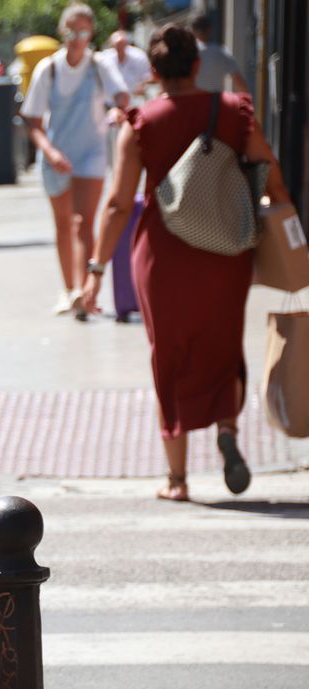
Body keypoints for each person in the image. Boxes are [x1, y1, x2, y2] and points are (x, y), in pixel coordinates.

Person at [79, 24, 289, 501]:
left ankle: (177, 479)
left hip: (163, 254)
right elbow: (269, 171)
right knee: (223, 344)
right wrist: (286, 220)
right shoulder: (235, 111)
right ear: (197, 64)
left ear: (153, 72)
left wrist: (95, 270)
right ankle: (227, 431)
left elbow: (117, 206)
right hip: (227, 250)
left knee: (168, 356)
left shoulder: (140, 123)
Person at [22, 4, 131, 319]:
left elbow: (121, 96)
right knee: (63, 223)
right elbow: (33, 121)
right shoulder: (48, 69)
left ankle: (84, 292)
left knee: (83, 222)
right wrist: (50, 152)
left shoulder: (99, 65)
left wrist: (118, 109)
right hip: (56, 153)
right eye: (71, 30)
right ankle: (68, 288)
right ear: (62, 32)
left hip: (91, 152)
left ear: (91, 33)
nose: (77, 37)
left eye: (83, 30)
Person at [191, 17, 250, 95]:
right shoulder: (222, 52)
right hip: (214, 100)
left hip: (193, 99)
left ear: (192, 31)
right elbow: (239, 82)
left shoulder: (188, 52)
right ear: (210, 30)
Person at [100, 30, 154, 103]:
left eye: (122, 44)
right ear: (112, 45)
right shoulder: (105, 58)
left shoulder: (139, 56)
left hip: (135, 100)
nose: (120, 48)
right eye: (117, 45)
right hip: (111, 101)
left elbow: (149, 77)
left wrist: (142, 85)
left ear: (127, 43)